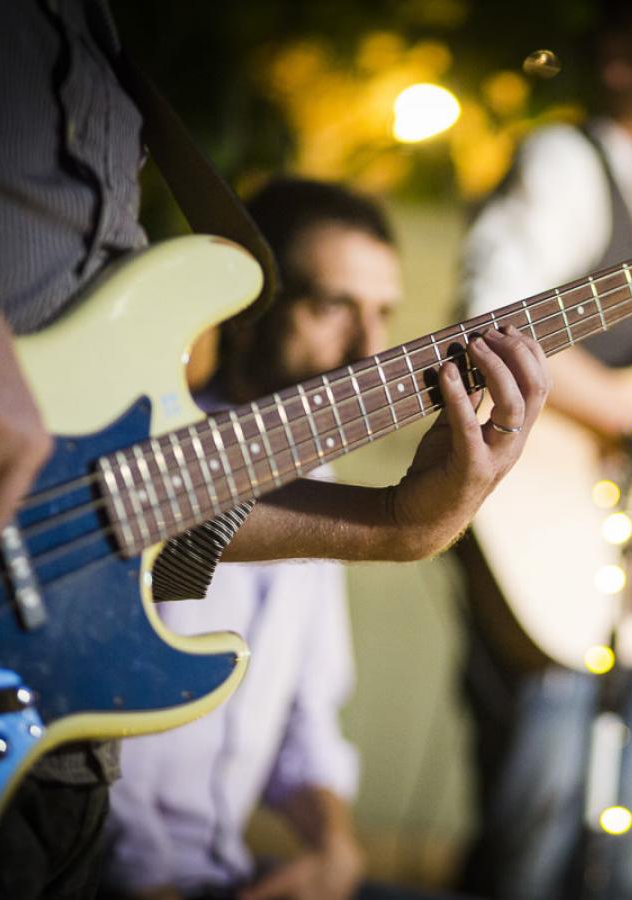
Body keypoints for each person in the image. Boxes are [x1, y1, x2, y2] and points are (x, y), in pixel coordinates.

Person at [0, 5, 548, 898]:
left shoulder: (102, 33)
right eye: (334, 307)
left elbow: (110, 501)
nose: (367, 349)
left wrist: (399, 524)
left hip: (53, 764)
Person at [456, 15, 632, 900]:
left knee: (618, 837)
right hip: (547, 538)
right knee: (535, 829)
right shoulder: (565, 161)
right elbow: (490, 326)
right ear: (623, 57)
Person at [102, 179, 396, 900]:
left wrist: (334, 850)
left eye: (383, 313)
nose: (369, 350)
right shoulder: (152, 460)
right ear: (242, 314)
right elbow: (91, 730)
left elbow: (308, 723)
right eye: (332, 308)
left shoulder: (319, 475)